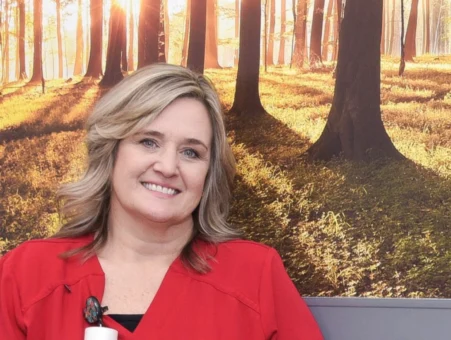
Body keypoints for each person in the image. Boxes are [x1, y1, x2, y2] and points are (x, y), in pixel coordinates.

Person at [0, 64, 325, 339]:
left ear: (208, 173)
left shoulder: (255, 275)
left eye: (190, 152)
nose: (168, 167)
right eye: (148, 142)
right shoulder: (26, 274)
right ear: (110, 152)